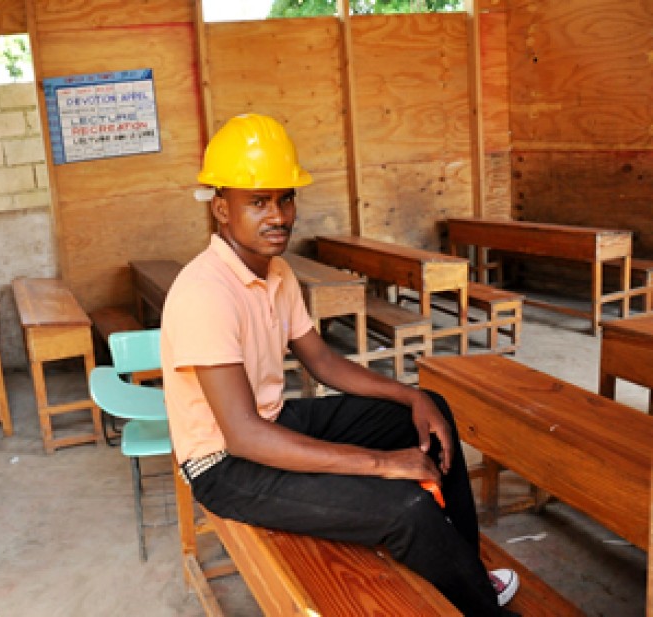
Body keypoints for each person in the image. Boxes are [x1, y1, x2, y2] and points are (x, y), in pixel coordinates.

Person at [160, 113, 519, 616]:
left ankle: (465, 568)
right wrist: (383, 464)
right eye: (258, 202)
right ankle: (484, 609)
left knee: (430, 414)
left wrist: (411, 395)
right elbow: (242, 437)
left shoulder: (277, 272)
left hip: (271, 422)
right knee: (407, 508)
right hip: (226, 465)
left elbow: (323, 362)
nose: (278, 215)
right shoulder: (204, 293)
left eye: (285, 198)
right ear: (222, 208)